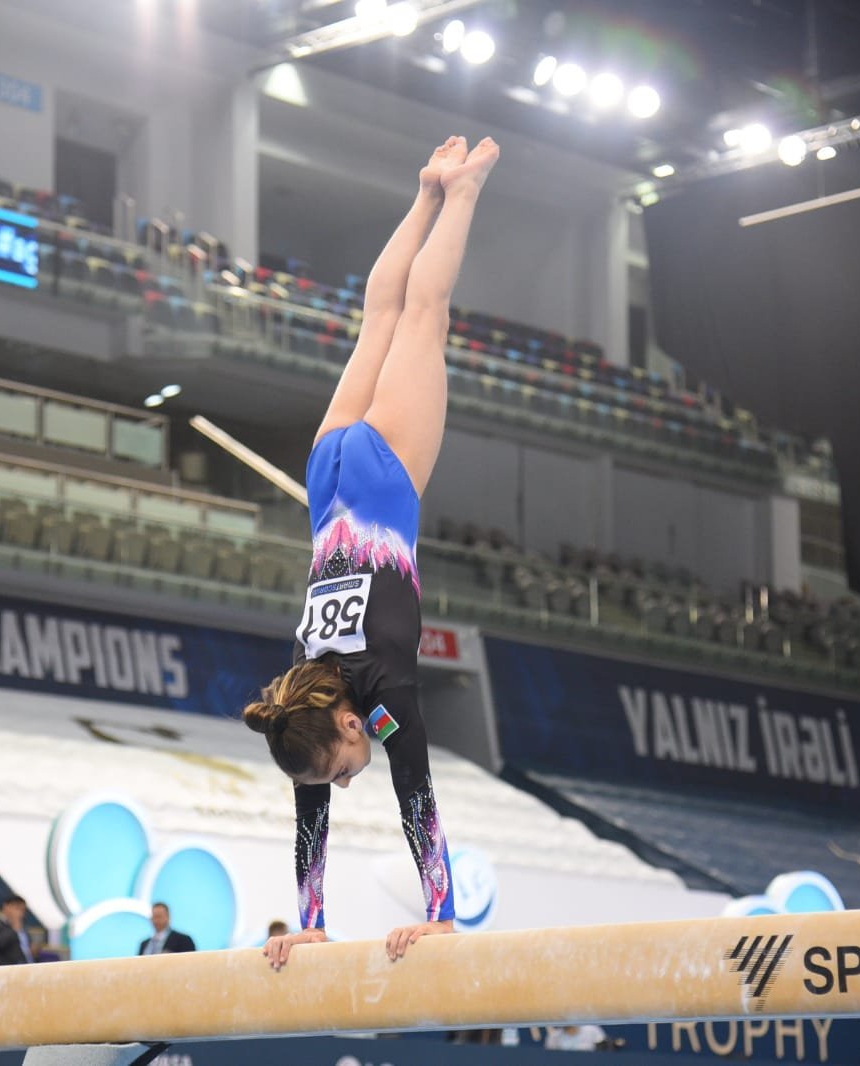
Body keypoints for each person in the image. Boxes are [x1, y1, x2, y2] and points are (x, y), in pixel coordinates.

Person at [242, 136, 499, 971]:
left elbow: (413, 796)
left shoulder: (379, 696)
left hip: (383, 477)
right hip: (326, 472)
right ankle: (425, 191)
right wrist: (306, 919)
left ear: (352, 725)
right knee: (381, 320)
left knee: (423, 318)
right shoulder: (299, 685)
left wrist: (443, 914)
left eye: (345, 763)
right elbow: (310, 808)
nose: (346, 778)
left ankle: (461, 192)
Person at [0, 895, 31, 966]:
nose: (20, 913)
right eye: (17, 908)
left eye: (23, 910)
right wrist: (14, 929)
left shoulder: (23, 928)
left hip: (27, 966)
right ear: (6, 907)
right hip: (4, 967)